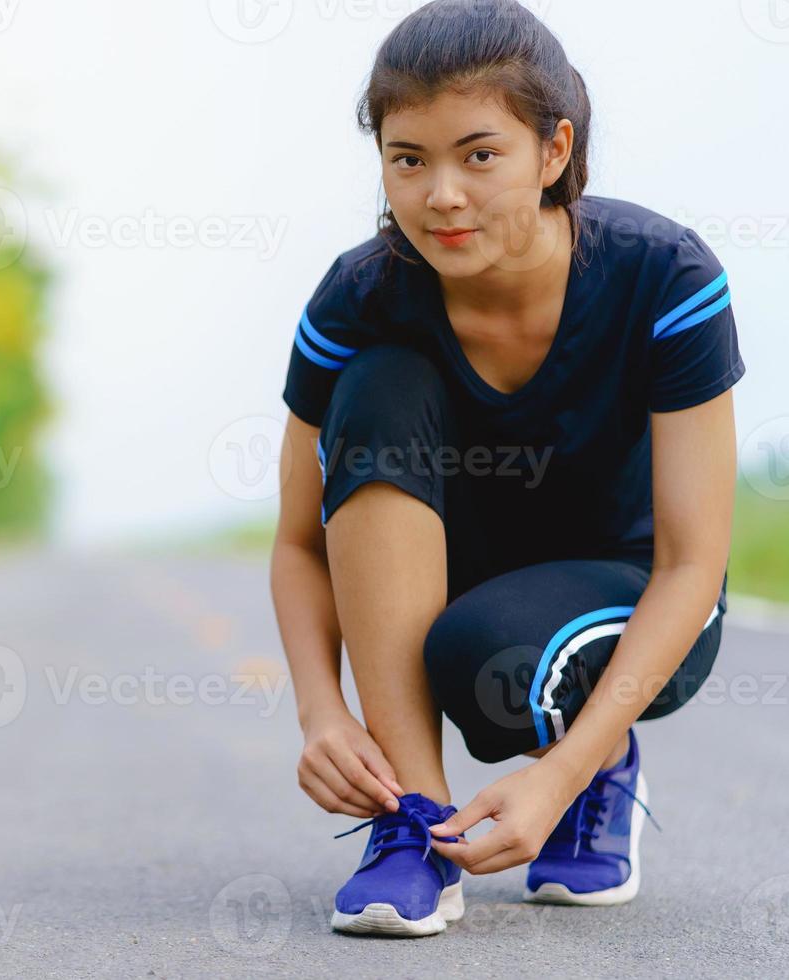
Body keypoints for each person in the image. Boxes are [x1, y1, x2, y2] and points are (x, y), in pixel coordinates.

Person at [269, 0, 745, 938]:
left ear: (554, 152)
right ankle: (411, 824)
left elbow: (695, 563)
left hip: (640, 589)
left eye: (479, 155)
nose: (441, 194)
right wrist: (322, 715)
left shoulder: (666, 279)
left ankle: (599, 765)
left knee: (488, 660)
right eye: (409, 159)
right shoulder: (360, 299)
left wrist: (556, 775)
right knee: (380, 381)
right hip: (464, 574)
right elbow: (296, 541)